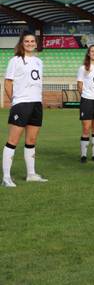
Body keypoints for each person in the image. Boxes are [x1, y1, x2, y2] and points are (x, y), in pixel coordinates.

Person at [2, 32, 47, 187]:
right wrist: (15, 101)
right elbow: (8, 83)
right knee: (13, 140)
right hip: (21, 104)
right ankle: (6, 177)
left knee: (31, 140)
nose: (29, 43)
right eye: (26, 41)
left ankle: (31, 174)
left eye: (32, 41)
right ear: (22, 43)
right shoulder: (15, 61)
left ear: (36, 43)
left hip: (36, 104)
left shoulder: (39, 61)